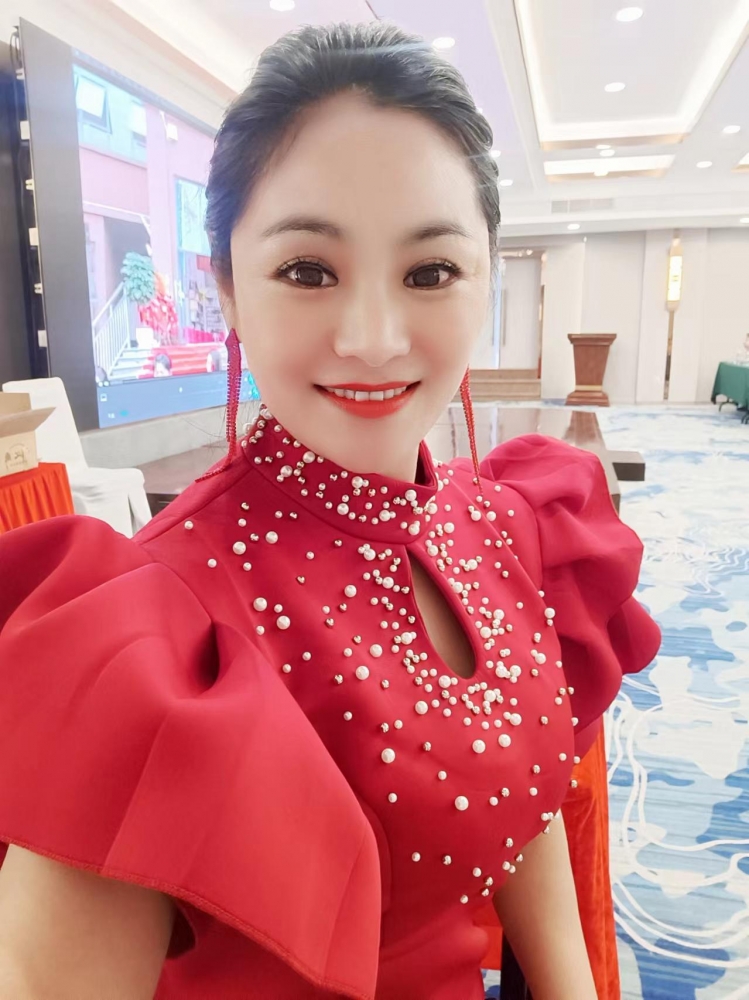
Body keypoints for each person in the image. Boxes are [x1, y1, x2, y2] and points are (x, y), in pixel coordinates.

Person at [0, 22, 661, 1000]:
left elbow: (526, 816)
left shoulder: (509, 527)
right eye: (308, 271)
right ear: (226, 288)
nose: (372, 337)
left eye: (429, 272)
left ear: (484, 278)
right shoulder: (156, 631)